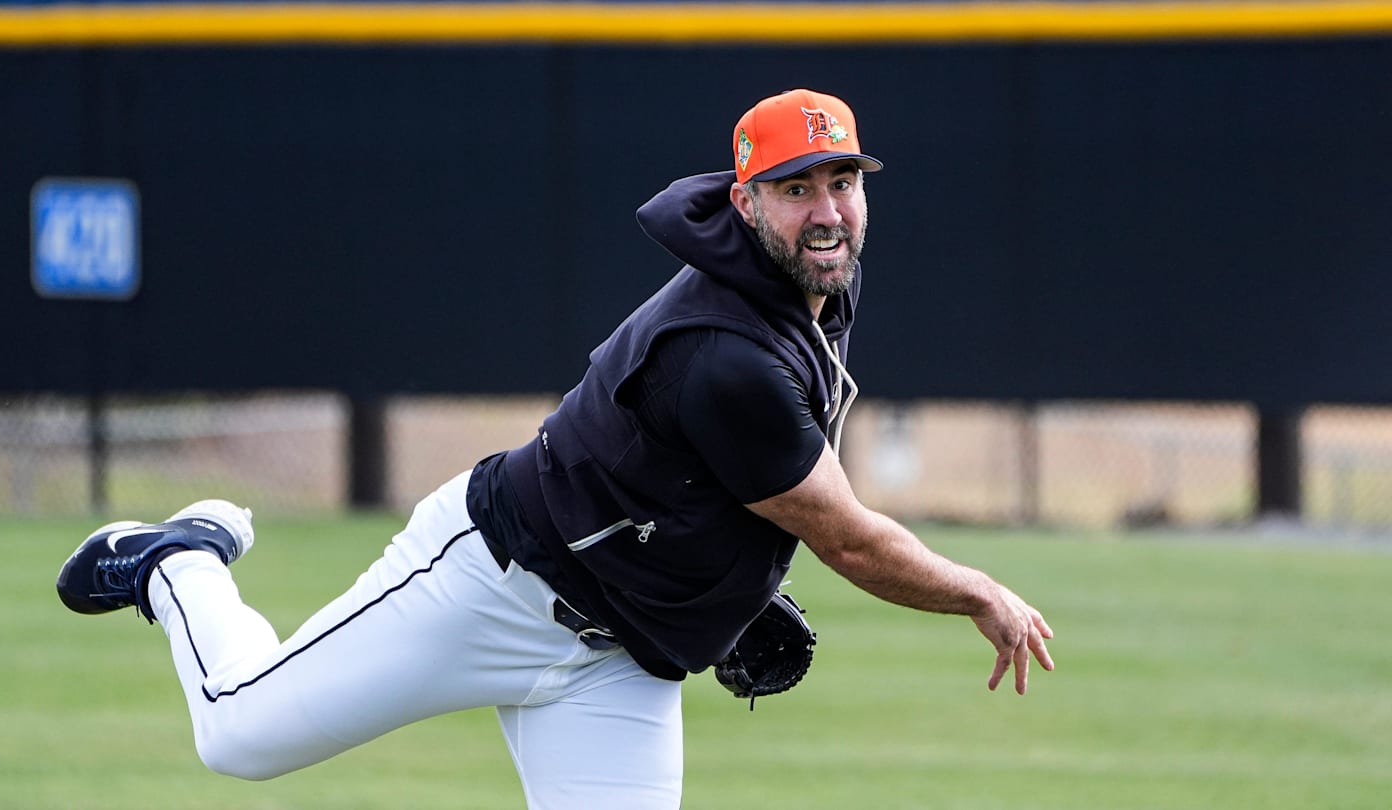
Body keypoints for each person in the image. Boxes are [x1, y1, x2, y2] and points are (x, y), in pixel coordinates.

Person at [56, 88, 1054, 809]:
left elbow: (738, 487)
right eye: (799, 189)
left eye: (843, 181)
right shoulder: (721, 354)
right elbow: (846, 536)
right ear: (745, 202)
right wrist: (978, 590)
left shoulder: (819, 276)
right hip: (490, 583)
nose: (830, 210)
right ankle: (180, 560)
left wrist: (715, 588)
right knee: (239, 732)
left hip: (615, 662)